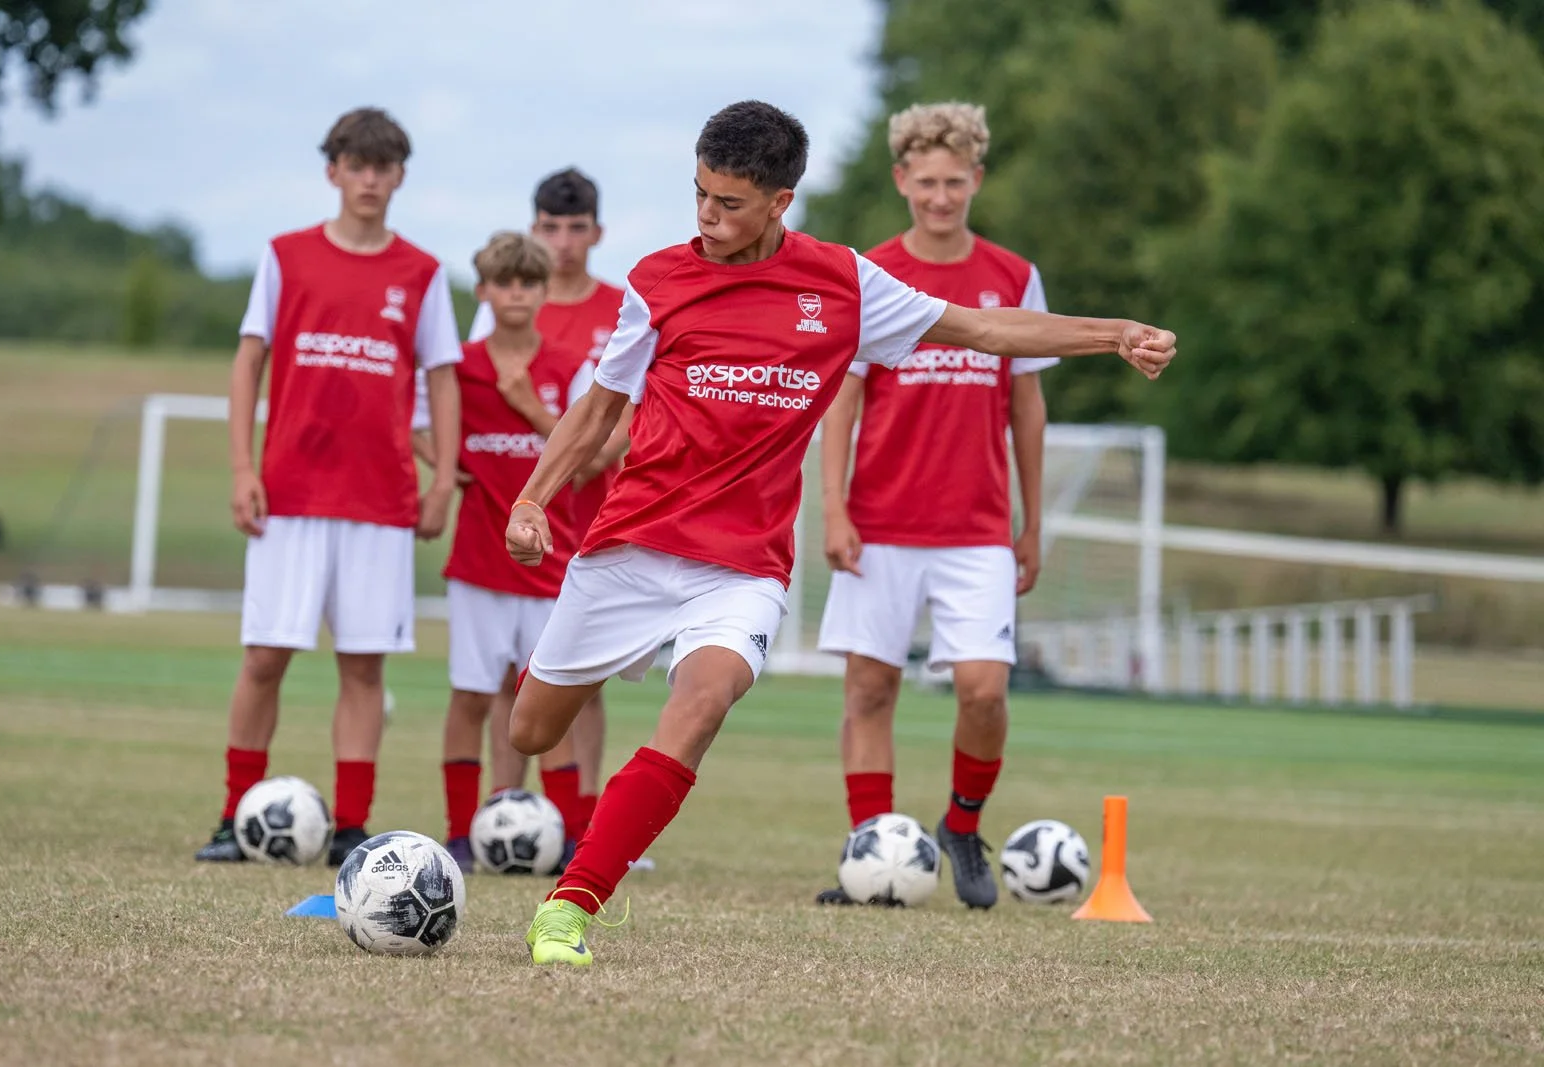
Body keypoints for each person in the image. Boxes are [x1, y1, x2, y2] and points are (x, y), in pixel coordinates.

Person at [501, 100, 1175, 966]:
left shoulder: (845, 285)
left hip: (740, 566)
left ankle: (571, 907)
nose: (708, 218)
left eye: (730, 203)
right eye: (699, 196)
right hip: (632, 542)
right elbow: (599, 410)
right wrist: (532, 500)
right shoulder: (657, 280)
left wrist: (1112, 332)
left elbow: (982, 327)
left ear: (782, 201)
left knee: (700, 704)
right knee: (530, 729)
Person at [194, 107, 463, 867]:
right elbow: (249, 361)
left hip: (379, 501)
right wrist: (243, 468)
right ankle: (231, 816)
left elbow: (441, 380)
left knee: (364, 665)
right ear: (333, 171)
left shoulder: (422, 273)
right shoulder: (286, 256)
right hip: (292, 493)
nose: (370, 179)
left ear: (400, 177)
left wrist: (441, 475)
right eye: (357, 164)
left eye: (384, 167)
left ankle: (350, 826)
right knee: (265, 657)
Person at [814, 102, 1058, 909]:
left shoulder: (1014, 276)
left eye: (956, 182)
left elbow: (1028, 407)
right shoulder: (868, 272)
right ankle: (868, 858)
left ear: (977, 179)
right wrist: (834, 508)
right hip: (879, 522)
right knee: (869, 690)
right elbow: (842, 400)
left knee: (985, 689)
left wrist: (1033, 520)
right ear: (901, 180)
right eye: (926, 182)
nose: (942, 197)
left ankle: (960, 823)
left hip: (977, 527)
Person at [462, 168, 630, 848]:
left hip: (597, 516)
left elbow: (625, 419)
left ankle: (584, 825)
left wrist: (588, 446)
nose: (563, 243)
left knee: (583, 680)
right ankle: (504, 819)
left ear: (597, 232)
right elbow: (473, 395)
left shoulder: (623, 306)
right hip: (522, 518)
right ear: (536, 229)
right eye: (552, 228)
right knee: (511, 674)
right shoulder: (505, 304)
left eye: (576, 228)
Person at [415, 231, 592, 873]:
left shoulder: (570, 366)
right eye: (503, 283)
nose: (516, 294)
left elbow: (598, 454)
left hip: (552, 566)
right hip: (477, 564)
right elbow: (415, 419)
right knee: (469, 695)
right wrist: (445, 468)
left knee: (551, 703)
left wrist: (528, 407)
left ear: (545, 292)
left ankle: (573, 839)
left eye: (528, 283)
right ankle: (461, 835)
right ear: (483, 291)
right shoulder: (457, 364)